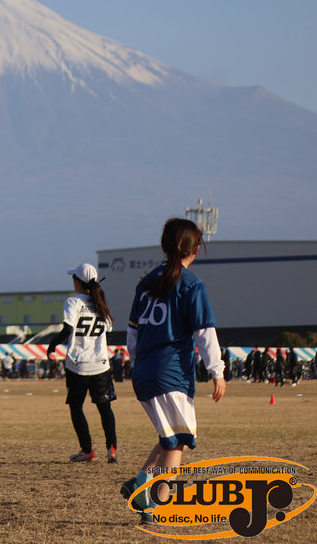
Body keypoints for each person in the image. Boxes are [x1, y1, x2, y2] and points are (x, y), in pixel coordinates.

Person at [121, 218, 226, 523]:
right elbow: (205, 333)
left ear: (164, 246)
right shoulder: (192, 285)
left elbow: (132, 335)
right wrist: (217, 371)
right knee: (179, 440)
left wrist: (140, 364)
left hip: (144, 373)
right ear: (196, 249)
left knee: (169, 435)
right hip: (171, 374)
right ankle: (152, 503)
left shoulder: (145, 284)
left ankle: (140, 481)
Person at [46, 263, 118, 464]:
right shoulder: (100, 302)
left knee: (76, 407)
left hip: (77, 364)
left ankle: (87, 450)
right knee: (105, 408)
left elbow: (68, 329)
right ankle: (112, 448)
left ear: (78, 281)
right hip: (101, 364)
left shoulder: (73, 302)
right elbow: (109, 333)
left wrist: (52, 344)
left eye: (73, 278)